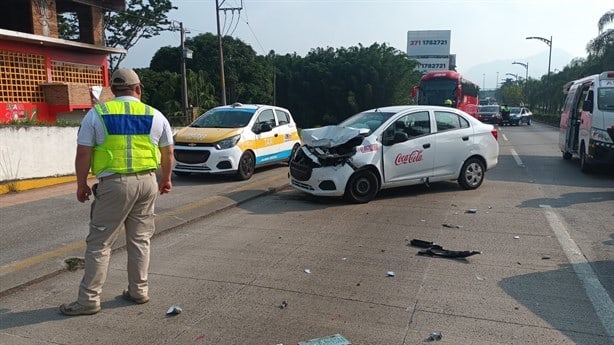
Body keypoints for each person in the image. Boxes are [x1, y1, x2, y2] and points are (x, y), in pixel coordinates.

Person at [60, 68, 174, 316]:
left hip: (114, 185)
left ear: (112, 90)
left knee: (100, 243)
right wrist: (165, 179)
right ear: (138, 89)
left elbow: (83, 153)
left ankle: (89, 300)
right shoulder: (155, 115)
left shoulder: (97, 114)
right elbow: (168, 153)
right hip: (147, 183)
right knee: (140, 239)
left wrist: (81, 184)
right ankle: (138, 291)